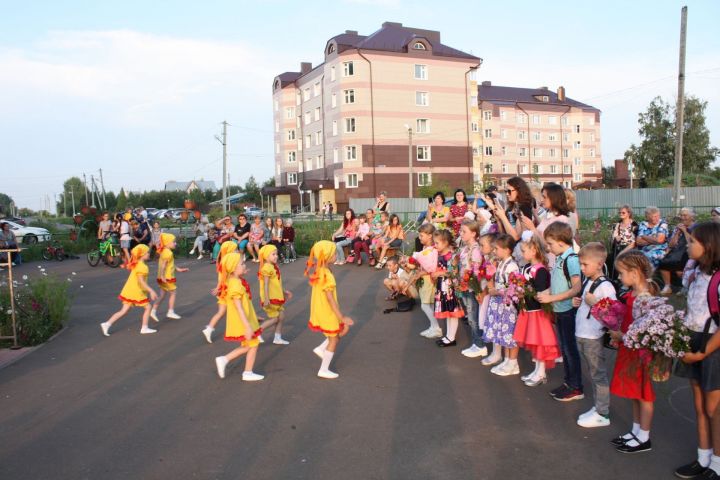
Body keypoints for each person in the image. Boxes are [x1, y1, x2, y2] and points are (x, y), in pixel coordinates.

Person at [675, 222, 720, 478]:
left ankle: (717, 463)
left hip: (712, 348)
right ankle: (703, 458)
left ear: (710, 246)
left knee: (715, 409)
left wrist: (702, 353)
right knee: (700, 406)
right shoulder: (696, 275)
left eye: (693, 242)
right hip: (692, 341)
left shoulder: (718, 279)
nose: (688, 245)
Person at [608, 250, 659, 454]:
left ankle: (644, 437)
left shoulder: (646, 297)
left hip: (641, 352)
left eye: (621, 273)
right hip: (629, 348)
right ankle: (636, 431)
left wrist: (622, 336)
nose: (619, 277)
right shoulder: (634, 294)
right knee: (635, 392)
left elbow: (646, 329)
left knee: (644, 394)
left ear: (635, 273)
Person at [572, 242, 616, 428]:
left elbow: (613, 315)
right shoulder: (589, 280)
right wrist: (579, 302)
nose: (582, 268)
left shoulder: (605, 286)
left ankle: (603, 413)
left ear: (599, 264)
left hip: (592, 336)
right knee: (592, 372)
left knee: (598, 375)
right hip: (583, 333)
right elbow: (586, 304)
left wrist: (595, 303)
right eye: (581, 264)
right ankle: (598, 407)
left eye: (585, 265)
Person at [538, 221, 583, 402]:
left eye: (550, 243)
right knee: (565, 349)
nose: (548, 248)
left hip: (568, 312)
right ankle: (569, 382)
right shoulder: (560, 258)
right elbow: (558, 284)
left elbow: (575, 288)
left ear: (560, 241)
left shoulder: (571, 259)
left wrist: (551, 298)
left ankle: (576, 387)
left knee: (570, 350)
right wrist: (547, 292)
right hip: (560, 310)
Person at [513, 232, 559, 387]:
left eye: (524, 250)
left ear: (534, 250)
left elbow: (540, 292)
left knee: (540, 343)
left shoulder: (541, 271)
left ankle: (541, 372)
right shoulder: (526, 267)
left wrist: (524, 291)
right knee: (533, 342)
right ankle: (537, 370)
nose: (521, 253)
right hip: (528, 311)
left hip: (538, 313)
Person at [305, 240, 354, 379]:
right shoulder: (327, 275)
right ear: (327, 256)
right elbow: (330, 299)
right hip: (328, 311)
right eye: (333, 253)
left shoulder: (319, 271)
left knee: (338, 333)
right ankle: (323, 369)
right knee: (334, 339)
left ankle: (321, 349)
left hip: (321, 311)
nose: (336, 255)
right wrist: (342, 317)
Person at [213, 252, 264, 381]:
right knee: (253, 344)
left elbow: (244, 304)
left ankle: (225, 360)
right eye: (242, 263)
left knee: (249, 345)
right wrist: (247, 326)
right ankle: (246, 372)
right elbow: (238, 306)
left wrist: (254, 316)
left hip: (246, 319)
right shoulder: (235, 284)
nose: (244, 265)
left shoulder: (235, 280)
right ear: (233, 268)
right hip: (243, 321)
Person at [481, 234, 520, 374]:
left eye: (497, 248)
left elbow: (514, 288)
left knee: (510, 333)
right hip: (499, 303)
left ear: (507, 250)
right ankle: (507, 360)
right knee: (503, 332)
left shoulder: (512, 266)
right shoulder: (501, 263)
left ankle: (513, 363)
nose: (494, 251)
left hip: (507, 305)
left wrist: (496, 291)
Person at [100, 244, 158, 336]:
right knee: (148, 307)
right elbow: (141, 282)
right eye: (147, 252)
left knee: (124, 310)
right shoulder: (142, 267)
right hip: (136, 291)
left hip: (129, 290)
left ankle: (107, 324)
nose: (149, 254)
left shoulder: (136, 264)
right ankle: (144, 327)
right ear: (141, 254)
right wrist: (151, 290)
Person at [404, 223, 440, 338]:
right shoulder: (426, 249)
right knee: (428, 304)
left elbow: (431, 268)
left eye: (421, 236)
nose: (419, 238)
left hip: (429, 280)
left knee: (425, 305)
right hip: (424, 279)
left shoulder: (432, 250)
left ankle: (436, 328)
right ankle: (433, 326)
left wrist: (418, 258)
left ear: (430, 236)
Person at [457, 219, 487, 358]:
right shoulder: (465, 248)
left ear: (474, 233)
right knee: (470, 316)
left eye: (464, 231)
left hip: (471, 287)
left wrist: (476, 289)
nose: (460, 233)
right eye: (461, 230)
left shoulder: (475, 249)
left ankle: (480, 345)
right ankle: (476, 343)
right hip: (464, 286)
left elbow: (475, 271)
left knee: (473, 317)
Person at [432, 229, 464, 347]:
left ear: (445, 243)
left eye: (437, 243)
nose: (435, 246)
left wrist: (439, 273)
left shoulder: (450, 255)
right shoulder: (441, 255)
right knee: (447, 312)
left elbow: (453, 272)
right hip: (443, 286)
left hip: (449, 287)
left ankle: (451, 337)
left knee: (452, 312)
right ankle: (448, 336)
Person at [202, 241, 238, 343]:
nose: (237, 251)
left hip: (224, 290)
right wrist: (218, 288)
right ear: (230, 251)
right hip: (228, 290)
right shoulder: (228, 262)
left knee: (221, 312)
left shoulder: (225, 260)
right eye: (235, 249)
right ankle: (252, 330)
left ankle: (209, 328)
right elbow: (222, 278)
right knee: (241, 309)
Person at [257, 245, 293, 345]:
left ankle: (277, 337)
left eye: (276, 254)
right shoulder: (266, 268)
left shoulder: (273, 266)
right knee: (275, 318)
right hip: (271, 298)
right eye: (273, 254)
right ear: (266, 256)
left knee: (281, 317)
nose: (276, 256)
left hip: (276, 296)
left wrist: (284, 291)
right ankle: (257, 331)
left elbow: (276, 283)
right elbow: (266, 284)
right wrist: (267, 299)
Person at [150, 233, 188, 322]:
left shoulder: (163, 251)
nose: (175, 243)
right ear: (167, 243)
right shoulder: (168, 253)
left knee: (162, 295)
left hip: (162, 277)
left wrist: (178, 269)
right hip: (167, 277)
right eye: (173, 242)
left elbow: (170, 264)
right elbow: (164, 265)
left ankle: (153, 311)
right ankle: (170, 311)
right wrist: (163, 276)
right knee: (173, 293)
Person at [659, 207, 696, 296]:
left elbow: (692, 242)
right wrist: (678, 233)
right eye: (681, 215)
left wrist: (685, 231)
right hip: (677, 252)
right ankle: (668, 286)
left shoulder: (696, 227)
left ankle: (685, 287)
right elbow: (671, 244)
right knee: (663, 263)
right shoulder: (678, 228)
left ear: (692, 216)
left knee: (680, 268)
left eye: (685, 215)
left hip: (690, 252)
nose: (683, 217)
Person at [608, 205, 638, 280]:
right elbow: (613, 237)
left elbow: (634, 242)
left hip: (630, 248)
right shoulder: (617, 225)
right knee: (609, 258)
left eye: (623, 212)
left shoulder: (634, 225)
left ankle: (625, 279)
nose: (621, 214)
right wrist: (615, 239)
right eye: (620, 212)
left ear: (629, 213)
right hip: (618, 247)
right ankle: (613, 279)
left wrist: (623, 251)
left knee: (623, 257)